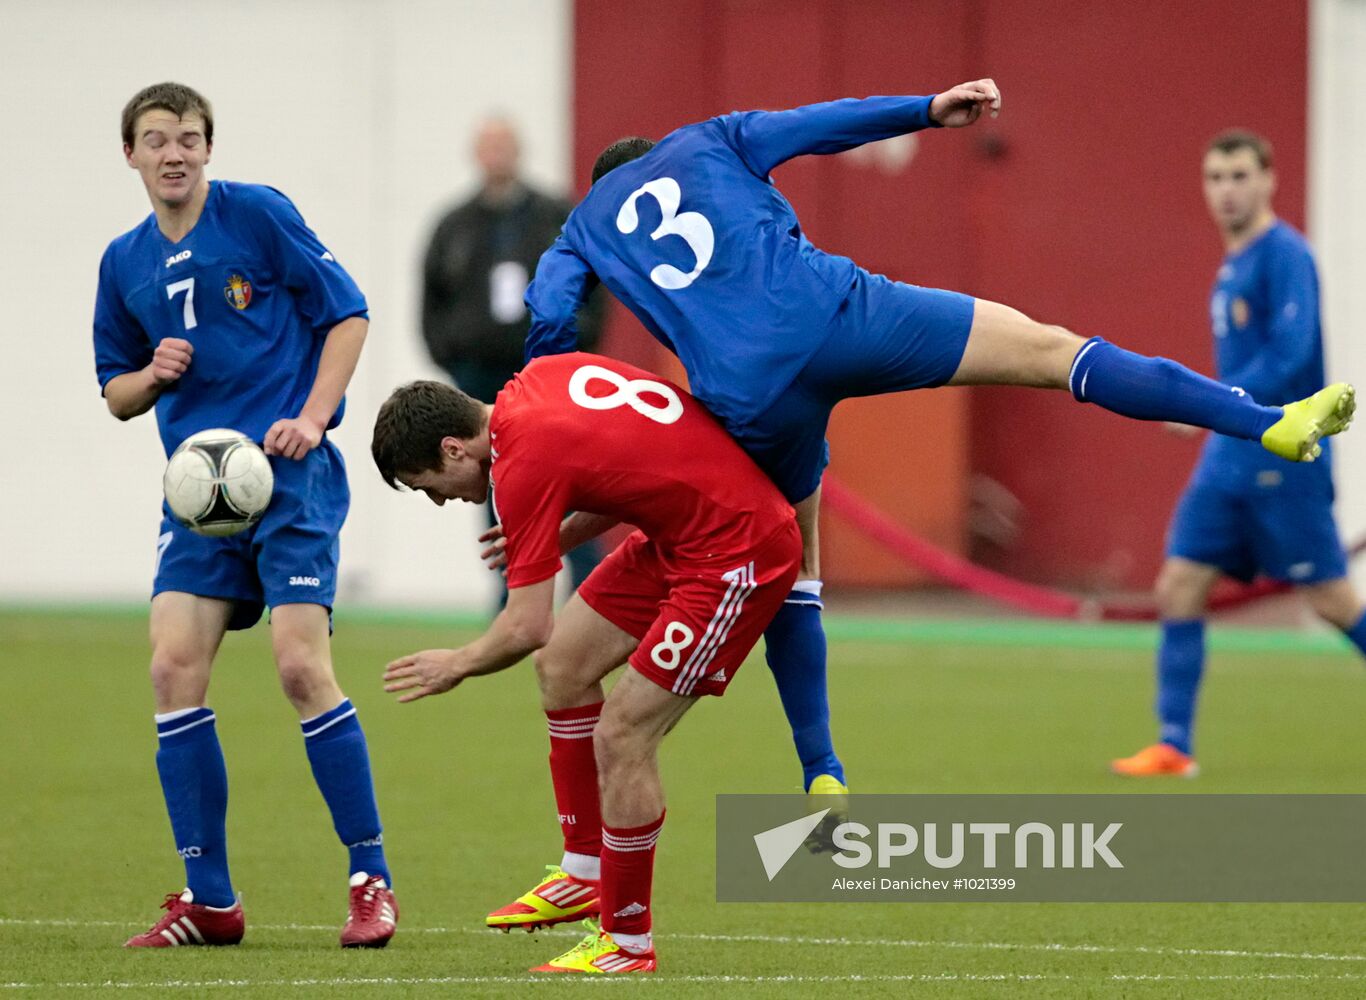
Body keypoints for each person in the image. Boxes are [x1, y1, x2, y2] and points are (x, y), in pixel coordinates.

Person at [523, 80, 1355, 803]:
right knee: (1055, 353)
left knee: (793, 558)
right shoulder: (708, 140)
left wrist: (551, 435)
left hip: (746, 392)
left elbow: (551, 329)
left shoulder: (582, 230)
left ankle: (821, 765)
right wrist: (927, 109)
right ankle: (1269, 420)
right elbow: (825, 123)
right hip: (839, 315)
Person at [372, 353, 803, 974]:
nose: (441, 501)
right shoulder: (539, 382)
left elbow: (526, 626)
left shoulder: (519, 463)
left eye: (428, 485)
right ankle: (585, 870)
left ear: (454, 449)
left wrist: (458, 663)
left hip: (736, 551)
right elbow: (632, 459)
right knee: (563, 665)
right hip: (679, 536)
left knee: (622, 735)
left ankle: (627, 943)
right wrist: (564, 534)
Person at [93, 83, 397, 948]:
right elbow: (116, 392)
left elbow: (348, 315)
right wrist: (151, 376)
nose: (174, 153)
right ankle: (210, 900)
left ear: (208, 148)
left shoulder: (257, 215)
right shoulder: (123, 261)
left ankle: (370, 879)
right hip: (198, 495)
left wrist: (313, 416)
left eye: (189, 137)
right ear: (131, 154)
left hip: (289, 476)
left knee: (300, 667)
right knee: (171, 669)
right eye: (157, 139)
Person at [1111, 131, 1366, 777]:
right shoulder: (1232, 266)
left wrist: (1211, 402)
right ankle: (1174, 746)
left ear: (1269, 179)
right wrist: (1216, 412)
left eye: (1240, 176)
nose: (1227, 190)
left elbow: (1291, 355)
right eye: (1216, 177)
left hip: (1285, 457)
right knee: (1180, 584)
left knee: (1333, 602)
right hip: (1228, 458)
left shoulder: (1286, 255)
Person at [421, 117, 606, 607]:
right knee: (495, 486)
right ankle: (512, 597)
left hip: (546, 375)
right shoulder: (454, 224)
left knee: (571, 478)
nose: (496, 156)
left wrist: (578, 347)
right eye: (489, 146)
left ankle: (592, 594)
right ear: (476, 154)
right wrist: (453, 360)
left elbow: (593, 282)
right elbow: (431, 301)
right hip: (482, 379)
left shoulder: (551, 214)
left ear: (519, 151)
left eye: (504, 145)